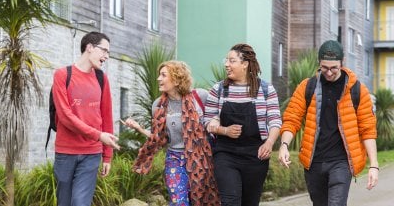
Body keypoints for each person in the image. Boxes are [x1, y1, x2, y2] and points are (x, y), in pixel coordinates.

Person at [278, 40, 379, 206]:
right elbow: (292, 119)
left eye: (334, 68)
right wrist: (284, 145)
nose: (329, 73)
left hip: (341, 162)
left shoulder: (357, 90)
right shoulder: (307, 87)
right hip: (314, 162)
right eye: (325, 68)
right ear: (319, 63)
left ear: (342, 63)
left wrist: (374, 165)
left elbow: (368, 129)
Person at [122, 60, 220, 206]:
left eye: (163, 75)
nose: (158, 79)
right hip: (175, 158)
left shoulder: (200, 97)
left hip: (201, 159)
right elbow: (160, 139)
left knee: (201, 201)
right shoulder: (158, 106)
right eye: (159, 75)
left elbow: (217, 116)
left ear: (176, 78)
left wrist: (217, 122)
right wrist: (139, 128)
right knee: (178, 201)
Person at [204, 43, 282, 206]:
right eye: (226, 60)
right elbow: (208, 121)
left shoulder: (266, 89)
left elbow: (274, 120)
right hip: (226, 154)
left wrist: (269, 143)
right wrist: (223, 130)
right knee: (230, 201)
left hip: (256, 155)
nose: (226, 64)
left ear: (245, 64)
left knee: (250, 202)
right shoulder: (218, 89)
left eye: (232, 61)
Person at [52, 31, 120, 206]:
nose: (106, 56)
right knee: (64, 202)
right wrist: (98, 135)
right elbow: (65, 117)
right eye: (104, 50)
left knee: (80, 203)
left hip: (91, 153)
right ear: (89, 47)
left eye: (108, 53)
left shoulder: (101, 78)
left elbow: (106, 116)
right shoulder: (62, 75)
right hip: (65, 152)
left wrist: (107, 156)